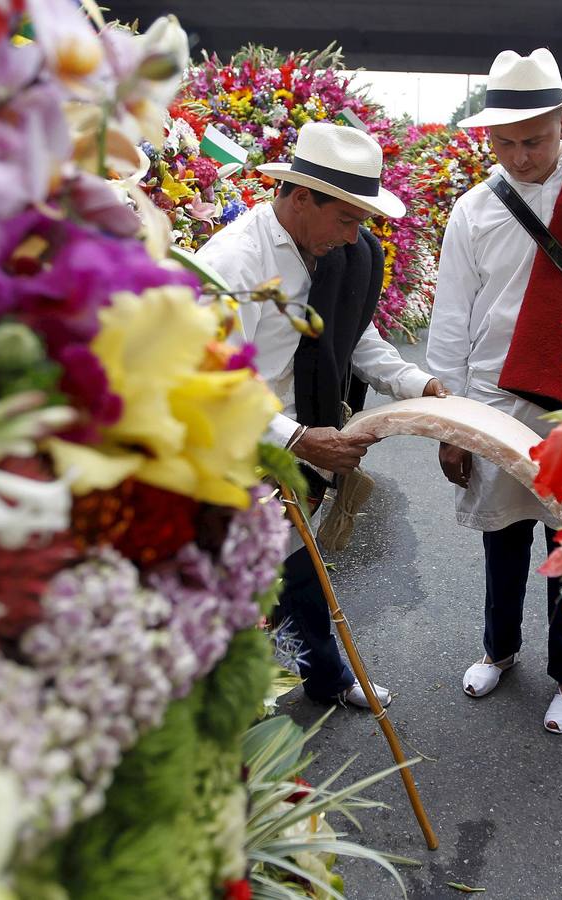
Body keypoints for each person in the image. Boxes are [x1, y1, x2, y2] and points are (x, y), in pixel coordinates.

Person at [426, 48, 562, 733]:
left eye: (535, 140)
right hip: (495, 394)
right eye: (505, 143)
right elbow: (452, 317)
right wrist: (450, 424)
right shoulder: (474, 208)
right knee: (504, 531)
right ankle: (499, 647)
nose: (519, 157)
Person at [200, 121, 447, 708]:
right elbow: (213, 381)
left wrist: (418, 384)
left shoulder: (334, 250)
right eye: (347, 218)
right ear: (302, 196)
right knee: (231, 584)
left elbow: (352, 341)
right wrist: (297, 438)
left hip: (288, 441)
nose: (354, 235)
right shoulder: (234, 264)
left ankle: (324, 678)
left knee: (298, 563)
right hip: (230, 448)